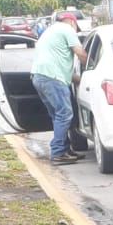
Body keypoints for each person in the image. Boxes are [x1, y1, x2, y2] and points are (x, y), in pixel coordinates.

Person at [30, 11, 87, 165]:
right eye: (76, 27)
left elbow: (62, 67)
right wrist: (91, 65)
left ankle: (65, 150)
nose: (75, 30)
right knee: (65, 113)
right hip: (53, 78)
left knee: (58, 115)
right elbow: (80, 53)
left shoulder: (49, 32)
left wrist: (80, 79)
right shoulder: (66, 29)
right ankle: (57, 152)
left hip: (39, 77)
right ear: (72, 22)